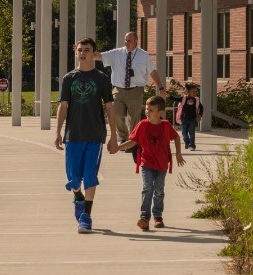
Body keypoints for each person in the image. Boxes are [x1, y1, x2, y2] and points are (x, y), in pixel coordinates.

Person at [55, 37, 119, 234]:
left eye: (87, 50)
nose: (82, 53)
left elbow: (109, 107)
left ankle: (86, 217)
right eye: (80, 50)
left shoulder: (101, 79)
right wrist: (57, 131)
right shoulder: (69, 78)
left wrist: (114, 136)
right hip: (73, 134)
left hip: (95, 134)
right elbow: (63, 105)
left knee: (90, 175)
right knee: (73, 178)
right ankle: (78, 197)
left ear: (94, 53)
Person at [116, 96, 185, 230]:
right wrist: (118, 147)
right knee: (147, 188)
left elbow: (176, 137)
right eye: (147, 109)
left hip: (162, 164)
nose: (147, 112)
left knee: (159, 190)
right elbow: (133, 141)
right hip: (146, 163)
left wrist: (178, 154)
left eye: (151, 110)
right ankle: (144, 217)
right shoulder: (142, 125)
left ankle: (158, 216)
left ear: (160, 112)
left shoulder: (165, 126)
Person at [93, 31, 166, 145]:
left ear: (136, 41)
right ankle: (122, 137)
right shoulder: (117, 53)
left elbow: (152, 72)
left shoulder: (143, 55)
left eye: (130, 40)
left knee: (134, 117)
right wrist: (83, 50)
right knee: (116, 113)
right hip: (118, 89)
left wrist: (161, 88)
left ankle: (133, 140)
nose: (127, 42)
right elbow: (98, 56)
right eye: (126, 40)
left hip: (135, 91)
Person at [176, 81, 203, 151]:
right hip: (184, 118)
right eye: (193, 91)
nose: (195, 93)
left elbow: (201, 107)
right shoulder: (184, 98)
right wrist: (168, 96)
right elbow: (175, 98)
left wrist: (200, 115)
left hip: (192, 119)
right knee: (184, 133)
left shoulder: (196, 100)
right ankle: (187, 142)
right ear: (188, 91)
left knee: (192, 132)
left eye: (196, 91)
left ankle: (192, 145)